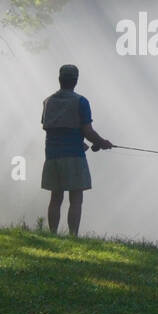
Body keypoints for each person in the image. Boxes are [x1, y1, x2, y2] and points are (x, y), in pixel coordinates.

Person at [40, 64, 113, 235]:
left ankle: (52, 234)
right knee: (76, 199)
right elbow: (87, 131)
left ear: (60, 79)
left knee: (55, 198)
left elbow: (52, 128)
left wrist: (81, 142)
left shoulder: (48, 101)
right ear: (76, 81)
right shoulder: (81, 102)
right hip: (73, 156)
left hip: (52, 155)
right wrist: (102, 142)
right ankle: (73, 236)